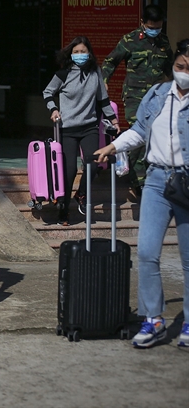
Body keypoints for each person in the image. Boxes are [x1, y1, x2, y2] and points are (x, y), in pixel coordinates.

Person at [95, 39, 189, 349]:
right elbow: (140, 130)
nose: (184, 73)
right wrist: (112, 146)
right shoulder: (158, 94)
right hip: (156, 181)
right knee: (147, 253)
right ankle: (154, 320)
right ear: (173, 66)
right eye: (180, 67)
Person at [43, 36, 118, 226]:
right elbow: (47, 92)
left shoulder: (95, 73)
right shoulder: (63, 74)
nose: (79, 55)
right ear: (70, 54)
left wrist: (114, 120)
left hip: (90, 127)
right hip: (68, 129)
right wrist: (53, 109)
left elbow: (103, 99)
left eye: (83, 51)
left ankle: (82, 193)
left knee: (94, 164)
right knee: (69, 172)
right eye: (76, 52)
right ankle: (64, 211)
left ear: (89, 53)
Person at [101, 5, 174, 196]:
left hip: (157, 97)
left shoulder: (163, 42)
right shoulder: (129, 40)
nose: (155, 30)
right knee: (139, 133)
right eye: (151, 26)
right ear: (142, 23)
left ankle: (141, 176)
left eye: (158, 26)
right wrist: (104, 81)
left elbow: (170, 68)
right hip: (135, 96)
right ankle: (139, 182)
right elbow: (110, 61)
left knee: (153, 136)